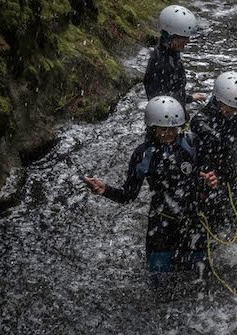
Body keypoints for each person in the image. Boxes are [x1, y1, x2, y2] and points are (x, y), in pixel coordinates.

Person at [83, 96, 209, 289]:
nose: (168, 133)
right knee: (159, 285)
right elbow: (128, 195)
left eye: (173, 128)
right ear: (152, 127)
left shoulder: (192, 144)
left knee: (200, 280)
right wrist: (105, 189)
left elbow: (206, 178)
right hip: (161, 226)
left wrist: (209, 183)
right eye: (163, 128)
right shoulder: (143, 154)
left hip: (192, 221)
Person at [190, 71, 237, 233]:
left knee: (236, 222)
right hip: (206, 177)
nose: (235, 112)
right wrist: (221, 139)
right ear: (219, 100)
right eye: (231, 108)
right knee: (207, 224)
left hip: (229, 174)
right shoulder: (202, 119)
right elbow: (197, 125)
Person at [143, 5, 206, 114]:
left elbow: (173, 91)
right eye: (183, 38)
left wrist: (189, 98)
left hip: (171, 114)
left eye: (188, 38)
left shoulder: (170, 54)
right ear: (169, 36)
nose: (187, 42)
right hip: (166, 119)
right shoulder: (161, 63)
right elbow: (163, 100)